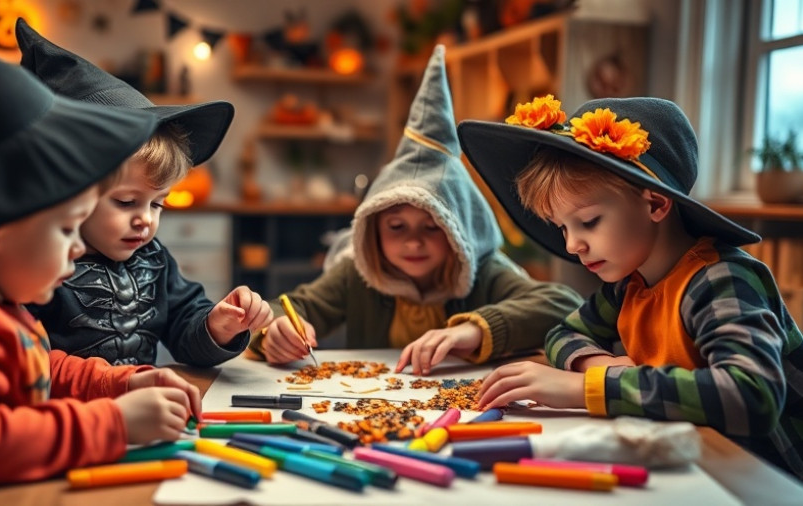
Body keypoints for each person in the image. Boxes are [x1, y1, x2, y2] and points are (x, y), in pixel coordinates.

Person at [0, 2, 203, 504]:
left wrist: (120, 384)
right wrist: (111, 422)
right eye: (66, 230)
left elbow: (43, 368)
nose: (79, 246)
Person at [458, 95, 803, 479]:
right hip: (689, 463)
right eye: (562, 227)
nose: (572, 245)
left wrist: (586, 387)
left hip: (763, 478)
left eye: (588, 221)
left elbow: (751, 395)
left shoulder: (721, 279)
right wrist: (598, 363)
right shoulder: (629, 285)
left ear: (655, 204)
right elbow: (564, 331)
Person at [246, 46, 583, 375]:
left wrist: (475, 330)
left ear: (458, 229)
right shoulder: (358, 275)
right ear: (372, 230)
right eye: (396, 227)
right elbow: (291, 305)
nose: (413, 242)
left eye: (432, 226)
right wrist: (274, 331)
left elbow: (563, 305)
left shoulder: (483, 274)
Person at [16, 20, 273, 367]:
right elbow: (27, 364)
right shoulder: (36, 269)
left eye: (157, 204)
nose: (145, 220)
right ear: (69, 192)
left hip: (147, 413)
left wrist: (217, 327)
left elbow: (186, 328)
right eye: (125, 202)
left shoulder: (153, 258)